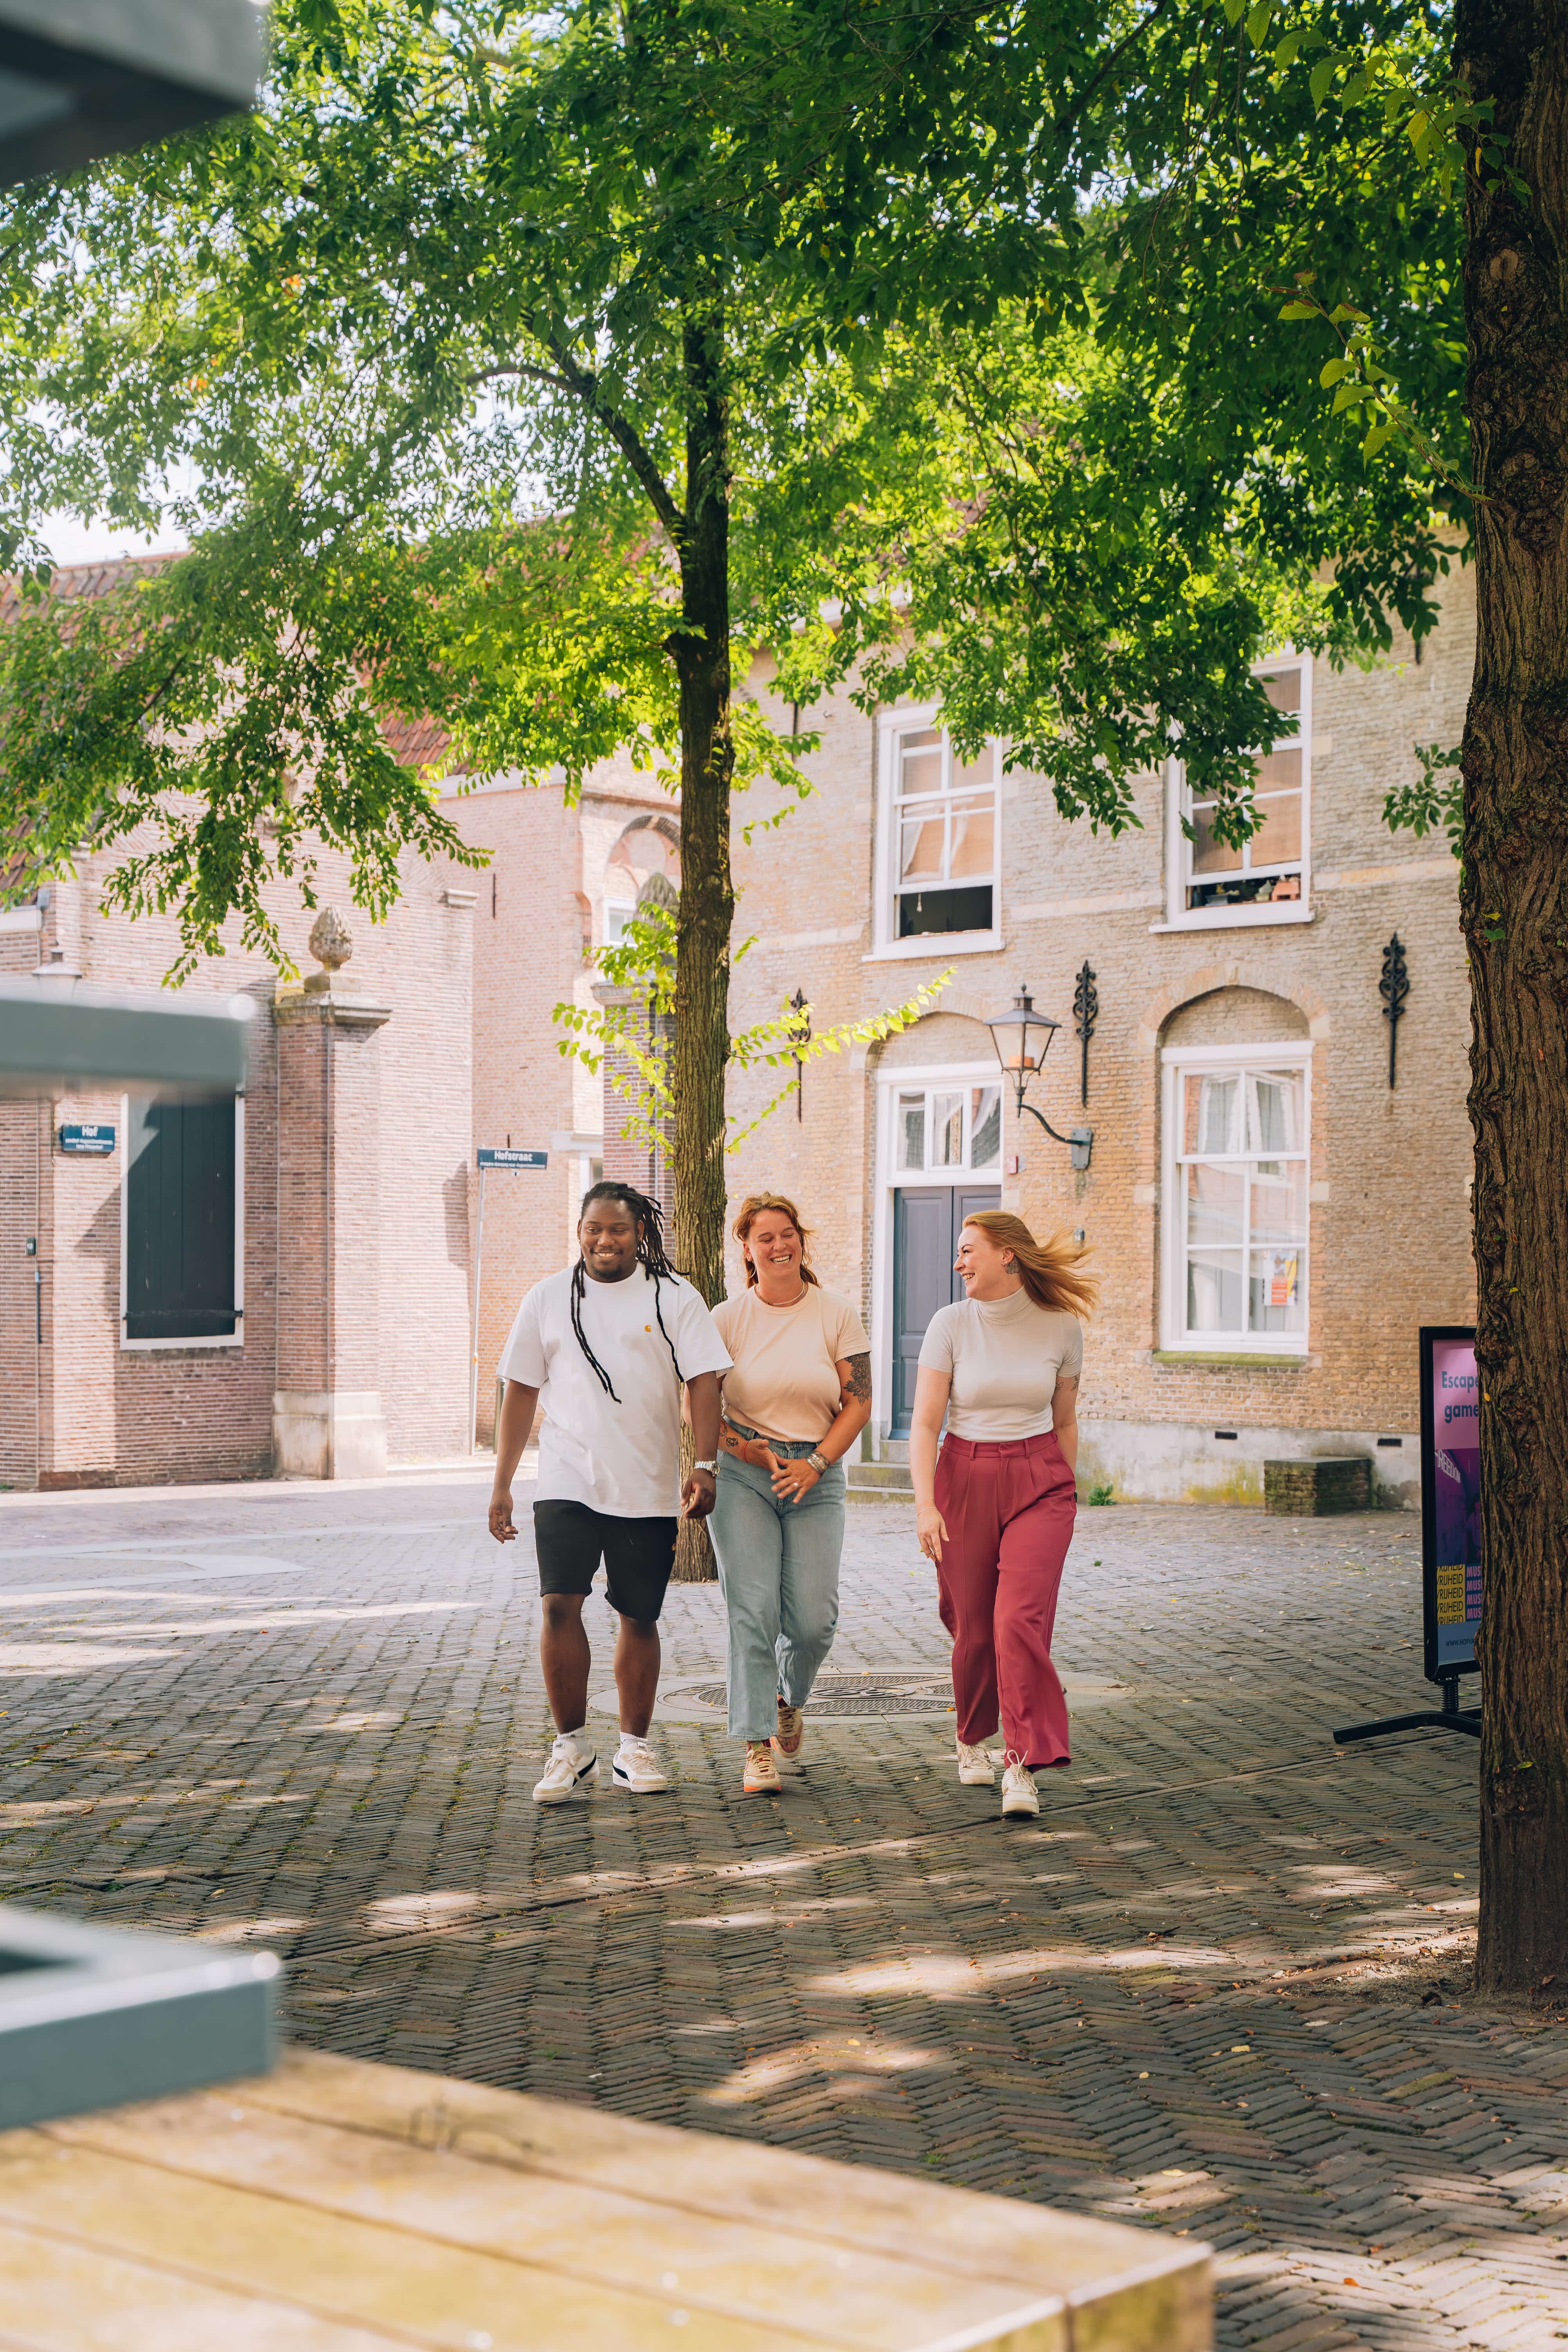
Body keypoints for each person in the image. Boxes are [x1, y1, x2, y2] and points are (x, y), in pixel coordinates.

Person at [489, 1181, 730, 1804]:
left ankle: (634, 1748)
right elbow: (521, 1390)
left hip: (645, 1485)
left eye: (617, 1229)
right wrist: (503, 1483)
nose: (604, 1240)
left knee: (638, 1616)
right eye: (593, 1229)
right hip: (565, 1478)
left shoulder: (673, 1296)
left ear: (639, 1232)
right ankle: (570, 1747)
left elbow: (704, 1382)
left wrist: (705, 1465)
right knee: (558, 1606)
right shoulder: (547, 1298)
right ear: (579, 1232)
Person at [909, 1210, 1096, 1821]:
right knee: (974, 1630)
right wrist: (925, 1505)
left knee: (1017, 1621)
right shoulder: (950, 1324)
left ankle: (1020, 1764)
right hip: (963, 1479)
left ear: (1007, 1254)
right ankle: (971, 1735)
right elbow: (925, 1424)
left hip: (1039, 1481)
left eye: (968, 1251)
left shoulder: (1060, 1326)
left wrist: (1064, 1489)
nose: (957, 1263)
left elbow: (1064, 1421)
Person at [709, 1193, 871, 1796]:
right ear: (747, 1250)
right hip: (744, 1473)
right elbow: (697, 1405)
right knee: (752, 1611)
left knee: (812, 1622)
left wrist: (817, 1463)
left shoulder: (836, 1313)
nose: (779, 1246)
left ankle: (787, 1698)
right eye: (765, 1238)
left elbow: (859, 1400)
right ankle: (756, 1746)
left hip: (816, 1474)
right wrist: (743, 1449)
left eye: (787, 1234)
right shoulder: (726, 1319)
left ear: (800, 1239)